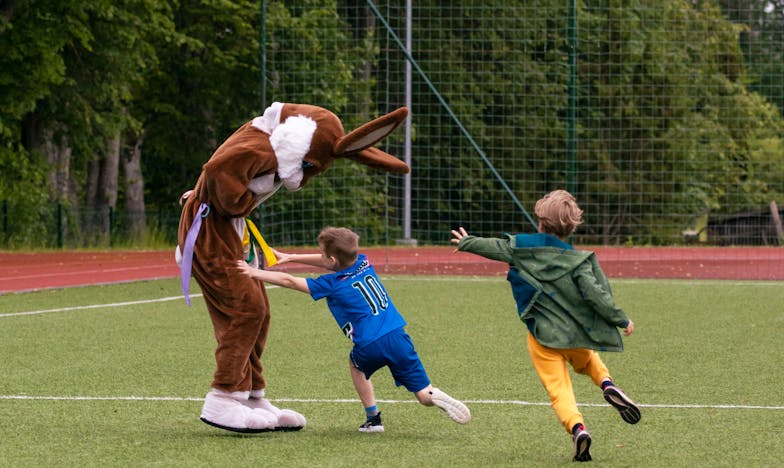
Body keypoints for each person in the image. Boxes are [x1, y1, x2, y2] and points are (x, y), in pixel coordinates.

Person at [450, 189, 639, 462]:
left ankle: (578, 428)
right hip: (574, 334)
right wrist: (621, 319)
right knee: (588, 360)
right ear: (571, 228)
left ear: (540, 222)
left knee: (558, 389)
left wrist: (467, 242)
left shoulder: (525, 248)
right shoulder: (577, 260)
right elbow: (596, 294)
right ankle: (607, 384)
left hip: (543, 338)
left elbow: (496, 248)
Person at [236, 226, 471, 433]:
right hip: (398, 335)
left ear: (332, 259)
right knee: (422, 395)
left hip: (370, 344)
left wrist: (254, 272)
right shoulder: (363, 262)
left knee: (356, 366)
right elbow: (330, 260)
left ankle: (373, 418)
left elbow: (289, 281)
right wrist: (290, 257)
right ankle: (433, 395)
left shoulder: (330, 284)